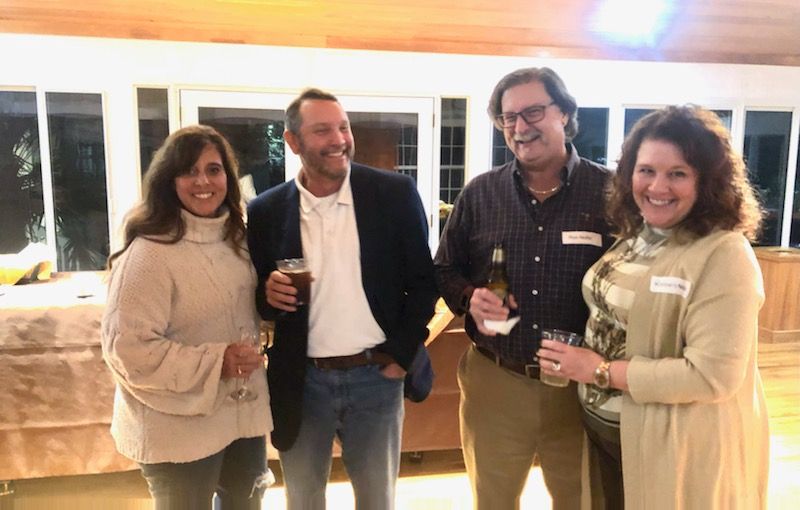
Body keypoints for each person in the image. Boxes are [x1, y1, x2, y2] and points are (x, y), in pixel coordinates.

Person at [536, 105, 770, 509]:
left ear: (708, 182)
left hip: (671, 446)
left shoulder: (724, 254)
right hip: (608, 434)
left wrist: (599, 371)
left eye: (677, 173)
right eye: (646, 170)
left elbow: (711, 376)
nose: (658, 186)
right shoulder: (637, 236)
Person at [246, 88, 438, 509]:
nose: (339, 140)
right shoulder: (266, 211)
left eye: (343, 127)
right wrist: (267, 293)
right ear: (292, 141)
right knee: (303, 500)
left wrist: (401, 356)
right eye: (322, 131)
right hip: (302, 381)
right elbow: (259, 297)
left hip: (376, 377)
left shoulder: (394, 194)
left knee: (376, 501)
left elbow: (424, 283)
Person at [435, 67, 613, 509]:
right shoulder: (480, 194)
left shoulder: (611, 193)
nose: (519, 127)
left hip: (580, 388)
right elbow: (444, 268)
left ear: (565, 113)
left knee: (581, 500)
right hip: (496, 381)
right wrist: (469, 298)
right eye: (508, 117)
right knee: (493, 501)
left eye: (532, 112)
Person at [101, 125, 273, 509]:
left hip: (239, 414)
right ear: (169, 180)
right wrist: (218, 361)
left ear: (228, 177)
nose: (203, 182)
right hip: (174, 427)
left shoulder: (236, 240)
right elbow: (129, 351)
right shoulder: (149, 254)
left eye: (213, 169)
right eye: (189, 171)